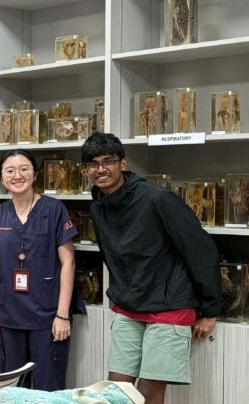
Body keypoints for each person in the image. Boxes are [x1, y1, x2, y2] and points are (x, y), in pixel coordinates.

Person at [82, 133, 220, 404]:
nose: (101, 169)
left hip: (170, 304)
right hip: (130, 304)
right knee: (116, 390)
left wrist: (210, 310)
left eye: (108, 161)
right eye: (93, 164)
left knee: (149, 391)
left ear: (122, 164)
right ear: (86, 170)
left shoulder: (157, 199)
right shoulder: (99, 205)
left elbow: (201, 250)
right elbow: (111, 256)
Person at [0, 149, 84, 391]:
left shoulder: (54, 209)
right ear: (2, 178)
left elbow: (68, 263)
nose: (17, 175)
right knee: (13, 388)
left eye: (24, 169)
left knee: (48, 388)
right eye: (10, 171)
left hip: (47, 316)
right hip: (9, 316)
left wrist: (62, 315)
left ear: (35, 174)